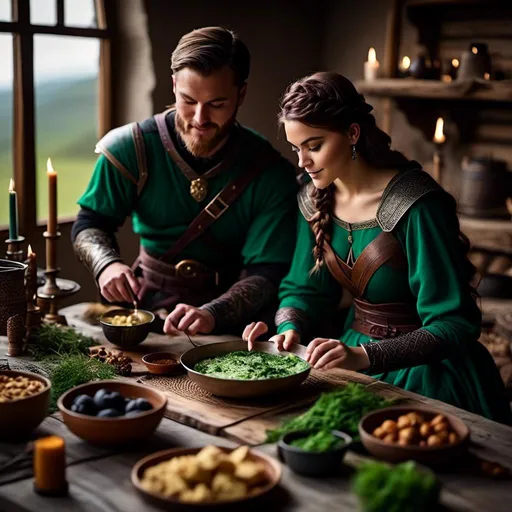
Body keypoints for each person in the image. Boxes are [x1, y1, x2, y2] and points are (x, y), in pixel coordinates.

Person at [243, 72, 511, 423]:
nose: (302, 162)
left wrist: (363, 356)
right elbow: (304, 289)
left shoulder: (416, 204)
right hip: (350, 359)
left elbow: (454, 323)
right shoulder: (313, 199)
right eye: (297, 148)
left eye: (314, 145)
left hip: (430, 373)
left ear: (352, 133)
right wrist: (289, 327)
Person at [72, 26, 298, 335]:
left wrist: (213, 313)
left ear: (241, 94)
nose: (200, 118)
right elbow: (90, 222)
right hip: (143, 310)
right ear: (174, 84)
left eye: (216, 104)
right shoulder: (131, 148)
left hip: (231, 325)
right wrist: (106, 265)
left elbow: (269, 270)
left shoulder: (269, 173)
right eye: (188, 100)